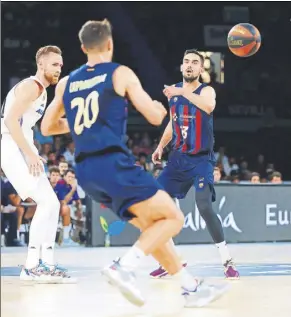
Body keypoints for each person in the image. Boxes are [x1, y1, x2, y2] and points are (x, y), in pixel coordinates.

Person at [41, 20, 228, 307]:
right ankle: (123, 266)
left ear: (82, 48)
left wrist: (85, 127)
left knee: (153, 225)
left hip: (87, 173)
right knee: (173, 219)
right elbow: (155, 117)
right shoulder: (120, 73)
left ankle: (190, 287)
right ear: (110, 44)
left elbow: (47, 128)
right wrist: (159, 107)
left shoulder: (67, 82)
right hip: (113, 165)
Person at [150, 49, 239, 279]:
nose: (189, 65)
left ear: (201, 69)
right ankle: (172, 260)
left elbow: (208, 107)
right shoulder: (175, 94)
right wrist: (161, 146)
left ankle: (226, 260)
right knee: (155, 204)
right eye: (186, 62)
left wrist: (181, 90)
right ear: (181, 67)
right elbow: (173, 121)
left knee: (204, 205)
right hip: (178, 159)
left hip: (201, 160)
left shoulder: (206, 90)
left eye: (194, 63)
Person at [1, 45, 73, 283]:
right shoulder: (32, 86)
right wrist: (28, 153)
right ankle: (32, 266)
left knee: (51, 203)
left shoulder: (41, 91)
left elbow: (24, 126)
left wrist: (32, 151)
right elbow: (10, 120)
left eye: (61, 65)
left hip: (20, 147)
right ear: (41, 65)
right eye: (54, 64)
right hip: (11, 146)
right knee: (46, 201)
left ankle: (46, 263)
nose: (58, 69)